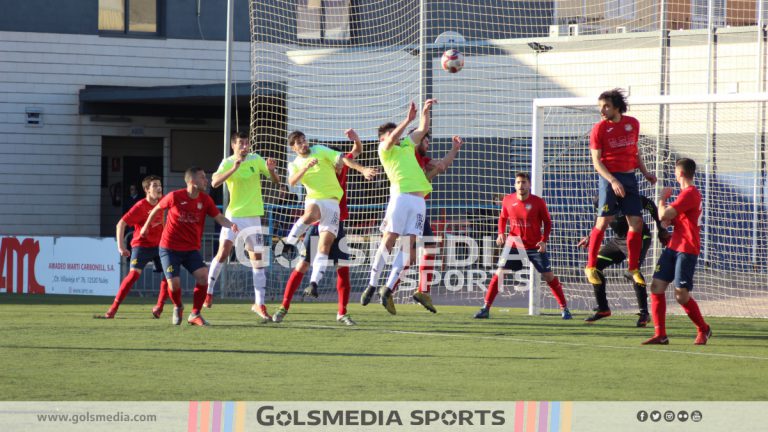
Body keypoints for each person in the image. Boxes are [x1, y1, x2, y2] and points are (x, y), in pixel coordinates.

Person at [277, 130, 377, 321]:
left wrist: (356, 143)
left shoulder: (337, 163)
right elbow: (292, 180)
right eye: (336, 162)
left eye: (339, 162)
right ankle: (284, 307)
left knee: (343, 267)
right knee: (302, 264)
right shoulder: (316, 163)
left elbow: (353, 154)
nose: (338, 165)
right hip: (317, 219)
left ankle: (342, 312)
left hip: (335, 221)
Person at [141, 166, 239, 326]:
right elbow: (156, 209)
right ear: (192, 181)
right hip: (169, 248)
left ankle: (195, 314)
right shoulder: (175, 196)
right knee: (174, 284)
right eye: (202, 177)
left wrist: (230, 224)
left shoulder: (205, 200)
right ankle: (178, 306)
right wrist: (146, 227)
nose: (206, 180)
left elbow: (219, 217)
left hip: (190, 249)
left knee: (203, 276)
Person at [585, 89, 657, 289]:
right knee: (604, 220)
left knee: (636, 222)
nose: (602, 110)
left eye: (606, 106)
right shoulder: (598, 129)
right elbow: (596, 162)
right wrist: (613, 181)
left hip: (629, 177)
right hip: (609, 178)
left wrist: (645, 172)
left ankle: (632, 268)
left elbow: (634, 151)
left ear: (617, 106)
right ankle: (590, 266)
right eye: (600, 106)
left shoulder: (632, 123)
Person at [474, 172, 571, 319]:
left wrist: (544, 240)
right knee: (499, 274)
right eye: (518, 182)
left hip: (535, 245)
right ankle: (485, 308)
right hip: (515, 243)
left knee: (548, 276)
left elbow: (548, 222)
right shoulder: (507, 200)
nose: (521, 185)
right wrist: (501, 233)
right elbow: (502, 218)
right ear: (515, 185)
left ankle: (565, 309)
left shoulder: (538, 202)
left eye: (524, 182)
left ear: (529, 185)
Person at [204, 131, 280, 321]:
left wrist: (271, 169)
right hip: (234, 215)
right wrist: (234, 169)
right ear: (233, 145)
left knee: (258, 259)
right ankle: (209, 291)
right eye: (241, 143)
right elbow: (214, 183)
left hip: (254, 216)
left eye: (247, 143)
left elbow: (276, 181)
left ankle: (259, 304)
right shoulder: (228, 162)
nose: (245, 146)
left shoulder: (256, 159)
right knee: (223, 253)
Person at [390, 126, 464, 314]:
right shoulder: (409, 155)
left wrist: (454, 150)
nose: (428, 144)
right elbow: (428, 176)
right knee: (411, 250)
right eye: (426, 140)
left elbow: (441, 165)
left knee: (420, 249)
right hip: (409, 206)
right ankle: (391, 289)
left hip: (416, 208)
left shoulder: (420, 158)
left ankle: (414, 290)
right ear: (418, 140)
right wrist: (432, 173)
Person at [642, 158, 710, 345]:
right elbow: (672, 218)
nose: (674, 174)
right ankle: (660, 334)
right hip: (673, 247)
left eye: (674, 171)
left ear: (679, 173)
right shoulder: (685, 195)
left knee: (681, 295)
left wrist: (662, 199)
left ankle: (704, 329)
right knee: (656, 287)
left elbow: (663, 213)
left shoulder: (690, 194)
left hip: (687, 249)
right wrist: (670, 222)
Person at [578, 194, 670, 326]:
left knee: (631, 272)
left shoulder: (631, 199)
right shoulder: (604, 204)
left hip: (639, 238)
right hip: (618, 240)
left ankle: (644, 314)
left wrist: (661, 229)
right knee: (593, 268)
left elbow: (651, 205)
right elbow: (599, 221)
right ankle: (603, 308)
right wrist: (589, 236)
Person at [95, 175, 168, 319]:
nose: (159, 188)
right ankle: (113, 309)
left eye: (160, 185)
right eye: (154, 185)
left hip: (160, 246)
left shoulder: (164, 202)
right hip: (142, 245)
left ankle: (159, 306)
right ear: (146, 189)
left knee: (170, 275)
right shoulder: (140, 206)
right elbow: (121, 224)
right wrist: (121, 247)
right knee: (134, 274)